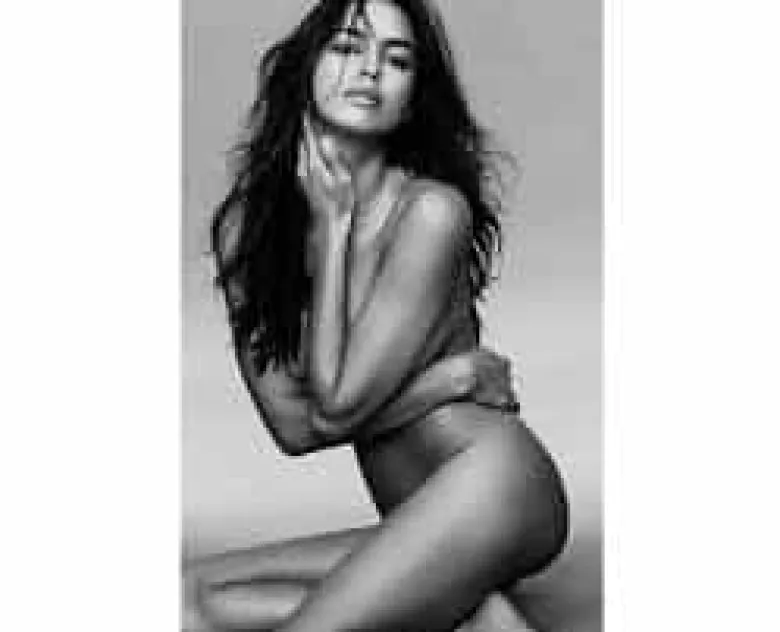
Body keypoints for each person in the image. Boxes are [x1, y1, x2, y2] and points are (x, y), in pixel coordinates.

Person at [184, 0, 569, 630]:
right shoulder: (244, 229)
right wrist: (444, 382)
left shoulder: (431, 213)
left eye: (396, 60)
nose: (369, 69)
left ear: (411, 99)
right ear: (305, 70)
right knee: (190, 597)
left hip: (493, 485)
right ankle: (467, 614)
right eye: (346, 48)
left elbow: (335, 407)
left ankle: (446, 599)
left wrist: (336, 227)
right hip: (415, 515)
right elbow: (294, 430)